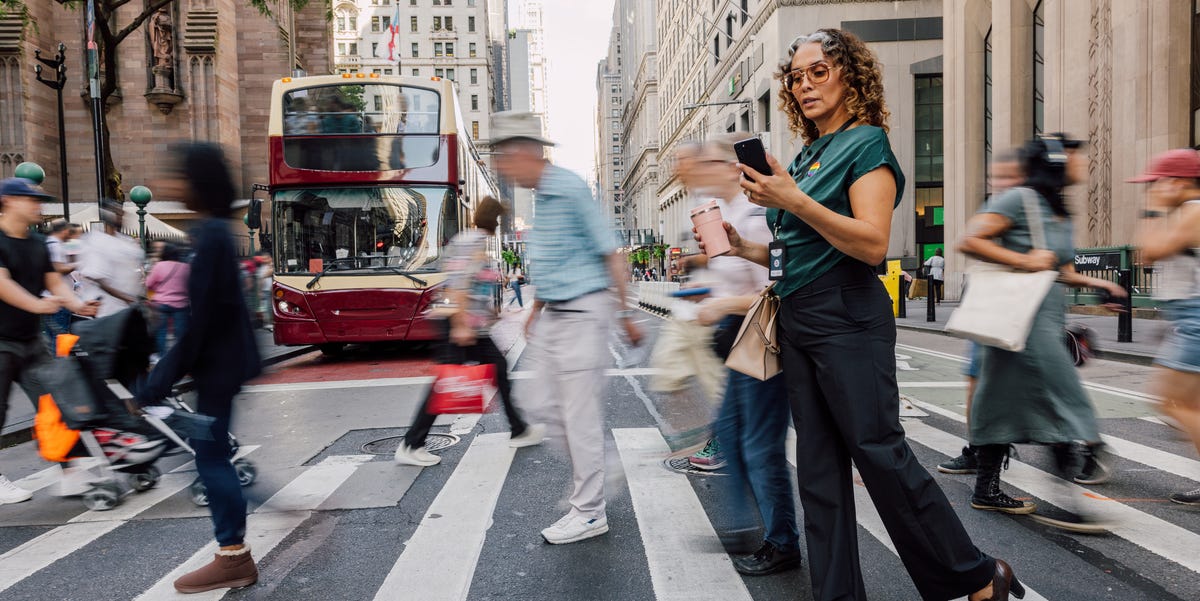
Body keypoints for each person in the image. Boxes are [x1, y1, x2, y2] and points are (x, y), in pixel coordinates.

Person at [708, 29, 1023, 601]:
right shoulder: (807, 155)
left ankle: (976, 576)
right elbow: (798, 246)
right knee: (819, 474)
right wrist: (745, 247)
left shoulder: (867, 144)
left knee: (880, 454)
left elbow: (873, 244)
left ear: (850, 74)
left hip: (848, 312)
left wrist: (791, 200)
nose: (804, 85)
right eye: (795, 77)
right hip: (798, 316)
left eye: (818, 72)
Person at [958, 134, 1126, 533]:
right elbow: (970, 239)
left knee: (1001, 404)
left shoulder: (1059, 212)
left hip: (1044, 322)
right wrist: (1023, 258)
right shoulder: (1019, 199)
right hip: (1022, 323)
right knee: (1063, 401)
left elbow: (1058, 268)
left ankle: (986, 489)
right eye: (1072, 156)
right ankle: (1075, 504)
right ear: (1053, 161)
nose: (1081, 163)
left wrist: (1099, 285)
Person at [490, 110, 643, 545]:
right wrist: (537, 308)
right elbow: (559, 258)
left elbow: (609, 252)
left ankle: (590, 511)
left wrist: (627, 313)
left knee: (578, 418)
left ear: (527, 153)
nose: (502, 168)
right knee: (535, 401)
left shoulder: (570, 188)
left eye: (505, 158)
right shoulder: (543, 196)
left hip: (582, 313)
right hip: (558, 311)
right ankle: (598, 468)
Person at [135, 143, 262, 593]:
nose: (171, 185)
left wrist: (158, 378)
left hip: (219, 365)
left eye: (179, 177)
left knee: (211, 459)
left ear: (198, 183)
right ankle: (235, 547)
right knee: (211, 455)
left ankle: (233, 556)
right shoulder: (215, 233)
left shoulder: (209, 237)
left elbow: (202, 320)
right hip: (224, 363)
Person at [689, 135, 801, 575]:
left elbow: (776, 286)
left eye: (713, 163)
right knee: (734, 437)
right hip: (737, 338)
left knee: (760, 444)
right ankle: (746, 525)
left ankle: (781, 540)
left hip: (762, 337)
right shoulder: (725, 212)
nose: (703, 172)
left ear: (733, 167)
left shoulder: (756, 216)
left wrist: (722, 306)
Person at [394, 197, 544, 466]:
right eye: (498, 219)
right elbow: (458, 286)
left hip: (471, 324)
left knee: (499, 366)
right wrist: (462, 326)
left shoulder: (473, 241)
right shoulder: (471, 242)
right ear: (493, 220)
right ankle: (411, 444)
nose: (499, 224)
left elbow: (473, 286)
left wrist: (491, 314)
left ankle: (518, 428)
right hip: (457, 322)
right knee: (445, 383)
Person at [0, 178, 98, 504]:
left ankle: (71, 471)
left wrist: (77, 304)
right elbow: (2, 284)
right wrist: (37, 305)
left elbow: (55, 282)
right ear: (9, 201)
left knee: (56, 404)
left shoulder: (38, 243)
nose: (39, 205)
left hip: (31, 339)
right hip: (1, 342)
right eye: (32, 199)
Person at [939, 149, 1024, 475]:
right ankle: (979, 449)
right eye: (997, 176)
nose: (1003, 182)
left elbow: (969, 241)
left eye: (1010, 175)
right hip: (989, 307)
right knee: (978, 382)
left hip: (1007, 307)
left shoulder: (1021, 206)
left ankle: (1076, 447)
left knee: (1031, 385)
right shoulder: (1000, 207)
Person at [1130, 148, 1200, 505]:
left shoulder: (1194, 211)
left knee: (1171, 402)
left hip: (1195, 318)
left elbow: (1150, 251)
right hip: (1187, 317)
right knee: (1188, 404)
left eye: (1157, 183)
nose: (1152, 189)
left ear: (1179, 182)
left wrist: (1152, 209)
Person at [78, 198, 145, 317]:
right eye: (118, 213)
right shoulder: (95, 240)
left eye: (122, 213)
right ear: (108, 215)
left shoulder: (127, 241)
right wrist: (128, 299)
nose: (122, 217)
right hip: (105, 311)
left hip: (126, 310)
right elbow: (99, 280)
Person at [145, 242, 191, 358]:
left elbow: (148, 284)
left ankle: (162, 358)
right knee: (180, 334)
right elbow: (189, 286)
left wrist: (158, 288)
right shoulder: (186, 267)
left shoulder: (159, 266)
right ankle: (181, 359)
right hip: (181, 305)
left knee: (161, 333)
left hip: (161, 304)